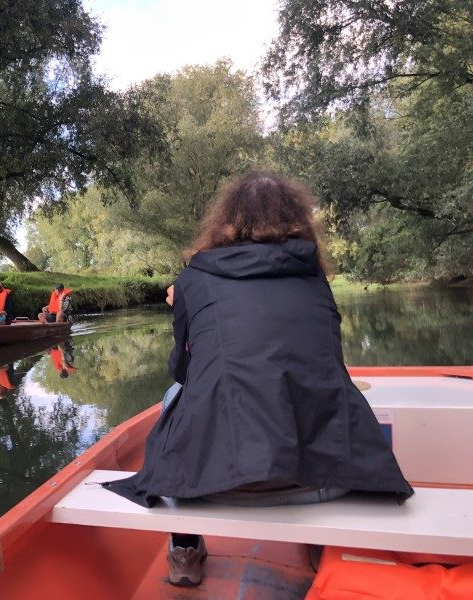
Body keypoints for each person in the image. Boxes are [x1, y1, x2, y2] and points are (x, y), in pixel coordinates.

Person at [103, 171, 413, 588]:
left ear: (224, 220)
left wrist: (188, 303)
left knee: (174, 394)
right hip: (325, 482)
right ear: (298, 220)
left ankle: (185, 549)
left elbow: (183, 370)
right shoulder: (316, 281)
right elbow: (330, 365)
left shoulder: (193, 280)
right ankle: (323, 547)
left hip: (212, 485)